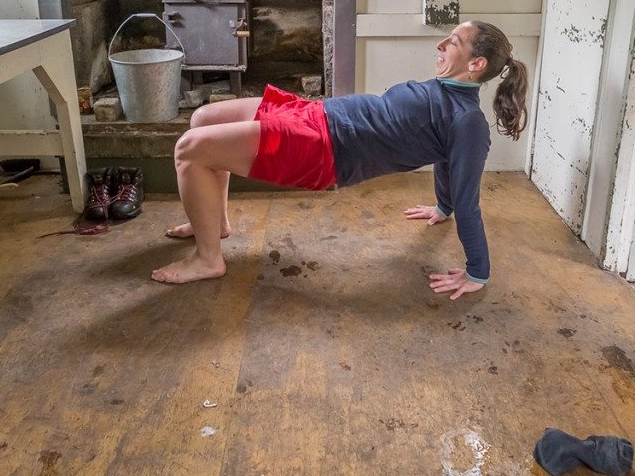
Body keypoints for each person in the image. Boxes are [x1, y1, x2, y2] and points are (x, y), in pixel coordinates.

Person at [152, 20, 529, 300]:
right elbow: (444, 158)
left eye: (454, 42)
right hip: (317, 114)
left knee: (189, 149)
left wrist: (478, 271)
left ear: (476, 64)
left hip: (321, 149)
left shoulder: (468, 123)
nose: (442, 44)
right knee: (202, 119)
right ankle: (213, 224)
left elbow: (468, 197)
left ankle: (208, 259)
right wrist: (441, 207)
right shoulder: (449, 90)